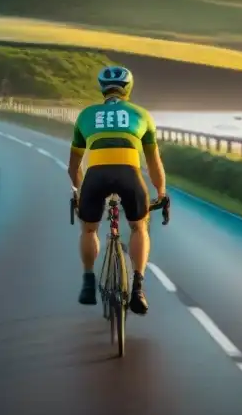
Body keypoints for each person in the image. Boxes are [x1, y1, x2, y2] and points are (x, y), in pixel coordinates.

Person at [67, 65, 168, 315]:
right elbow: (154, 162)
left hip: (95, 176)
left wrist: (79, 192)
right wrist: (161, 191)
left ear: (102, 88)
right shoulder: (142, 115)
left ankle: (89, 281)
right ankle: (138, 288)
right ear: (129, 87)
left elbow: (74, 166)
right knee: (139, 226)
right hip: (128, 174)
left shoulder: (86, 115)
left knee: (89, 229)